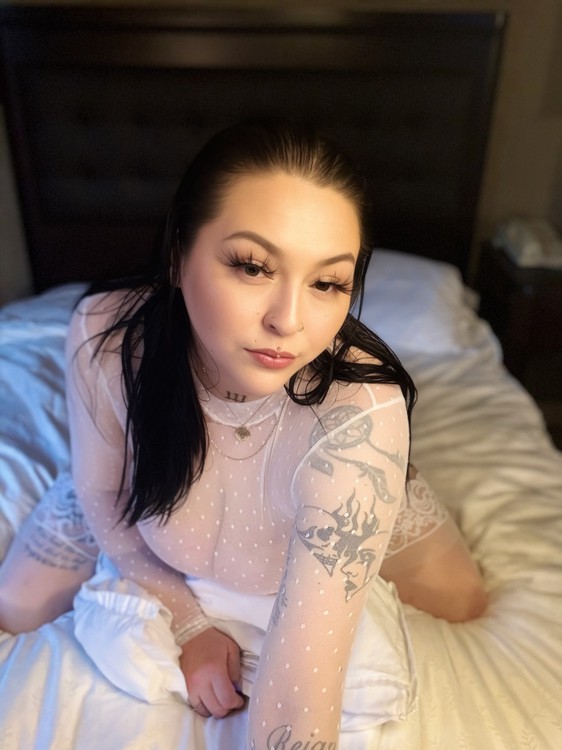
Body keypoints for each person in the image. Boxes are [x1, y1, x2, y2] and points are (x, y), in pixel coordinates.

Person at [0, 119, 486, 746]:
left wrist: (363, 476)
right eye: (253, 267)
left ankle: (389, 481)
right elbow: (102, 496)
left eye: (327, 282)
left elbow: (301, 691)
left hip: (340, 472)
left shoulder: (358, 416)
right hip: (141, 488)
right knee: (15, 606)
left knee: (463, 602)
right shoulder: (105, 334)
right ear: (179, 254)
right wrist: (188, 624)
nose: (289, 321)